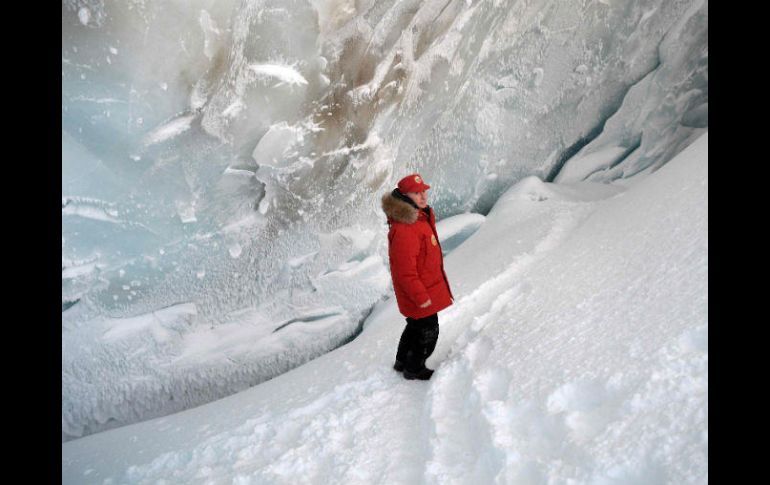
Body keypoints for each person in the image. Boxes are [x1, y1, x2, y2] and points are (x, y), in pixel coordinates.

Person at [381, 173, 455, 380]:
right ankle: (414, 369)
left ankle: (402, 361)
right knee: (428, 331)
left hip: (423, 288)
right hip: (419, 293)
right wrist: (421, 297)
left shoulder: (417, 219)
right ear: (404, 197)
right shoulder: (406, 229)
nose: (423, 197)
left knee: (415, 326)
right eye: (416, 193)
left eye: (424, 191)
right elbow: (404, 271)